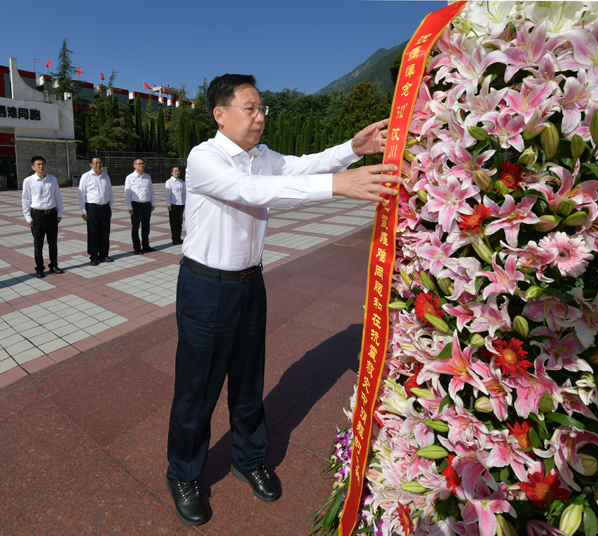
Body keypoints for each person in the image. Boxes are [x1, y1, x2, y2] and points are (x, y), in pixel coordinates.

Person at [165, 74, 399, 526]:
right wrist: (338, 186)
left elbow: (300, 165)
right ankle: (183, 474)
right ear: (221, 113)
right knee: (198, 390)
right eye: (250, 108)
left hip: (251, 286)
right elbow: (250, 192)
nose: (259, 117)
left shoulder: (262, 157)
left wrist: (352, 148)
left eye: (261, 109)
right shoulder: (204, 158)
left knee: (249, 383)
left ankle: (248, 459)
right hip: (205, 288)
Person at [21, 156, 64, 278]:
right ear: (33, 167)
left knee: (53, 242)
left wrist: (59, 213)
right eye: (38, 164)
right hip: (37, 215)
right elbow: (25, 200)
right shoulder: (28, 181)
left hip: (51, 214)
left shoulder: (52, 179)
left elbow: (58, 197)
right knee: (38, 244)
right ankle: (39, 268)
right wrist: (28, 217)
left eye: (43, 164)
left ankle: (54, 265)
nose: (41, 166)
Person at [78, 156, 114, 265]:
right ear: (91, 164)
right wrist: (83, 210)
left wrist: (110, 207)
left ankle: (104, 255)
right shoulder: (86, 176)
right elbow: (81, 194)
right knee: (93, 233)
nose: (98, 165)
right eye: (95, 163)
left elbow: (110, 192)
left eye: (99, 162)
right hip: (92, 208)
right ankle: (93, 256)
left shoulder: (106, 176)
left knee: (105, 232)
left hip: (105, 207)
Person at [125, 157, 155, 254]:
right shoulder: (130, 178)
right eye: (139, 164)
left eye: (142, 163)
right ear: (134, 165)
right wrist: (129, 207)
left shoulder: (148, 177)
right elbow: (127, 194)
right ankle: (137, 247)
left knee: (146, 227)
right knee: (135, 227)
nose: (141, 165)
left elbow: (151, 191)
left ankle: (146, 245)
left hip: (147, 205)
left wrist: (152, 203)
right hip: (136, 206)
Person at [165, 166, 186, 245]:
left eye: (178, 171)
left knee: (179, 222)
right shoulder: (169, 182)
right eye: (175, 171)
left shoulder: (181, 181)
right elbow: (168, 194)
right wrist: (168, 204)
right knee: (173, 222)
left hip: (180, 204)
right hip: (173, 204)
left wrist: (185, 203)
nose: (177, 172)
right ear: (171, 172)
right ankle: (174, 238)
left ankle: (179, 237)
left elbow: (183, 193)